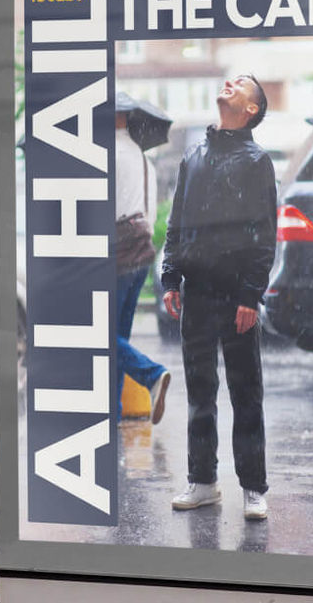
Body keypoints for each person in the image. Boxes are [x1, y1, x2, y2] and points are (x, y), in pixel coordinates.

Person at [161, 75, 277, 521]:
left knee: (246, 392)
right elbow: (177, 222)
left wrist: (251, 293)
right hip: (198, 294)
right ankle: (203, 482)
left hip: (237, 298)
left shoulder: (256, 160)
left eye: (242, 84)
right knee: (200, 393)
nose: (230, 84)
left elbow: (263, 233)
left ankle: (253, 486)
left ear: (251, 109)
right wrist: (171, 279)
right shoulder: (194, 155)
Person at [114, 96, 172, 424]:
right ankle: (114, 413)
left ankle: (151, 375)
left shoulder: (107, 156)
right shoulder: (141, 157)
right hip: (141, 256)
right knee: (117, 339)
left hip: (116, 256)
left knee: (100, 338)